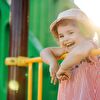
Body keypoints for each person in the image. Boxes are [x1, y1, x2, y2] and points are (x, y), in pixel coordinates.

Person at [40, 8, 100, 100]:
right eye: (61, 36)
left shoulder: (91, 45)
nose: (65, 39)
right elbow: (45, 51)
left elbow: (80, 52)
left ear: (86, 33)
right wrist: (53, 63)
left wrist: (63, 67)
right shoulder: (67, 50)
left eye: (70, 33)